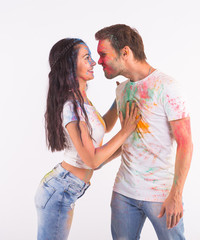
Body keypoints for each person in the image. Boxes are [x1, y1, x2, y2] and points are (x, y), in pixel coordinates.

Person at [34, 38, 140, 240]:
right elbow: (92, 160)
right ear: (70, 66)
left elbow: (104, 127)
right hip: (58, 192)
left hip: (65, 189)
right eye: (87, 58)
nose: (93, 62)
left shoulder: (82, 100)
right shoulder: (70, 107)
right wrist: (126, 131)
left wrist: (120, 97)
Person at [95, 24, 193, 239]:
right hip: (124, 193)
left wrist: (176, 195)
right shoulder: (122, 90)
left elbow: (186, 144)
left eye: (103, 54)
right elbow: (121, 134)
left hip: (161, 194)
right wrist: (96, 161)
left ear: (125, 52)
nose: (99, 61)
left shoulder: (167, 87)